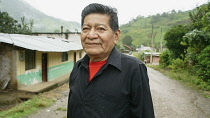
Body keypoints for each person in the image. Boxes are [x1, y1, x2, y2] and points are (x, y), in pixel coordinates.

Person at [67, 3, 155, 118]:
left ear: (116, 36)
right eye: (86, 28)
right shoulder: (78, 68)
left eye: (100, 29)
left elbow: (144, 114)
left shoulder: (133, 68)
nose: (91, 35)